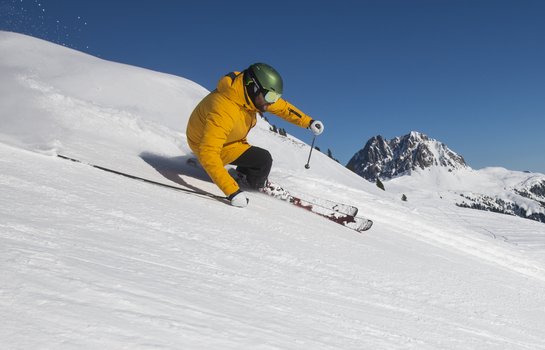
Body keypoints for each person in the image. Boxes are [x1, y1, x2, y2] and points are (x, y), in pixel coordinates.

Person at [186, 63, 324, 208]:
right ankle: (249, 186)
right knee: (263, 160)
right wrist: (232, 191)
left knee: (262, 160)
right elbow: (208, 152)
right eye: (270, 96)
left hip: (231, 142)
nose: (271, 102)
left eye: (275, 97)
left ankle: (242, 178)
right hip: (204, 146)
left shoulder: (253, 97)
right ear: (254, 87)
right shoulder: (224, 109)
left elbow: (283, 108)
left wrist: (309, 122)